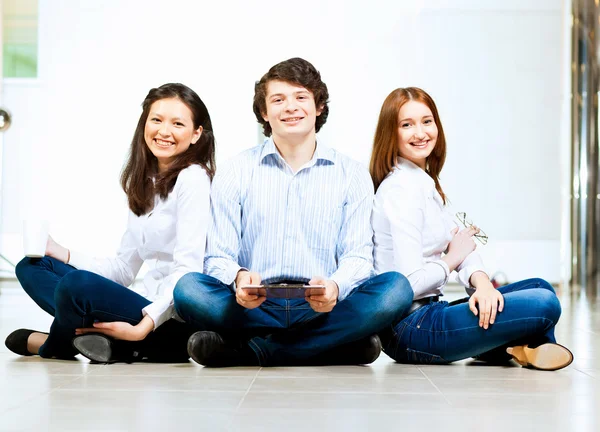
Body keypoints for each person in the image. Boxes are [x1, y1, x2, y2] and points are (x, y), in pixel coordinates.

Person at [173, 58, 413, 367]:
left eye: (301, 97)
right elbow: (218, 256)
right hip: (253, 306)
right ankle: (329, 346)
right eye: (278, 99)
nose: (290, 107)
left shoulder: (350, 174)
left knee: (396, 289)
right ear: (264, 112)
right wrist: (240, 278)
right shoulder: (236, 171)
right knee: (188, 289)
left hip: (324, 307)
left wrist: (335, 287)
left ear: (319, 107)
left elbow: (358, 257)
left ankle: (253, 351)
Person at [5, 83, 215, 363]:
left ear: (196, 134)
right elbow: (123, 269)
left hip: (169, 320)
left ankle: (56, 344)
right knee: (32, 267)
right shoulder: (146, 182)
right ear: (144, 124)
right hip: (142, 305)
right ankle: (97, 340)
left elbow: (188, 271)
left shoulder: (193, 178)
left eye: (178, 123)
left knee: (76, 285)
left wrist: (143, 327)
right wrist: (61, 252)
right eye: (156, 120)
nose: (164, 131)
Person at [369, 87, 573, 370]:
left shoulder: (424, 183)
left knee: (540, 286)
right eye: (407, 125)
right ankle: (520, 346)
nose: (420, 132)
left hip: (431, 312)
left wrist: (483, 285)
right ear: (391, 133)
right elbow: (407, 284)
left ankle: (518, 348)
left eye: (427, 121)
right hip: (410, 329)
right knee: (544, 304)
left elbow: (463, 245)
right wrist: (451, 259)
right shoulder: (401, 191)